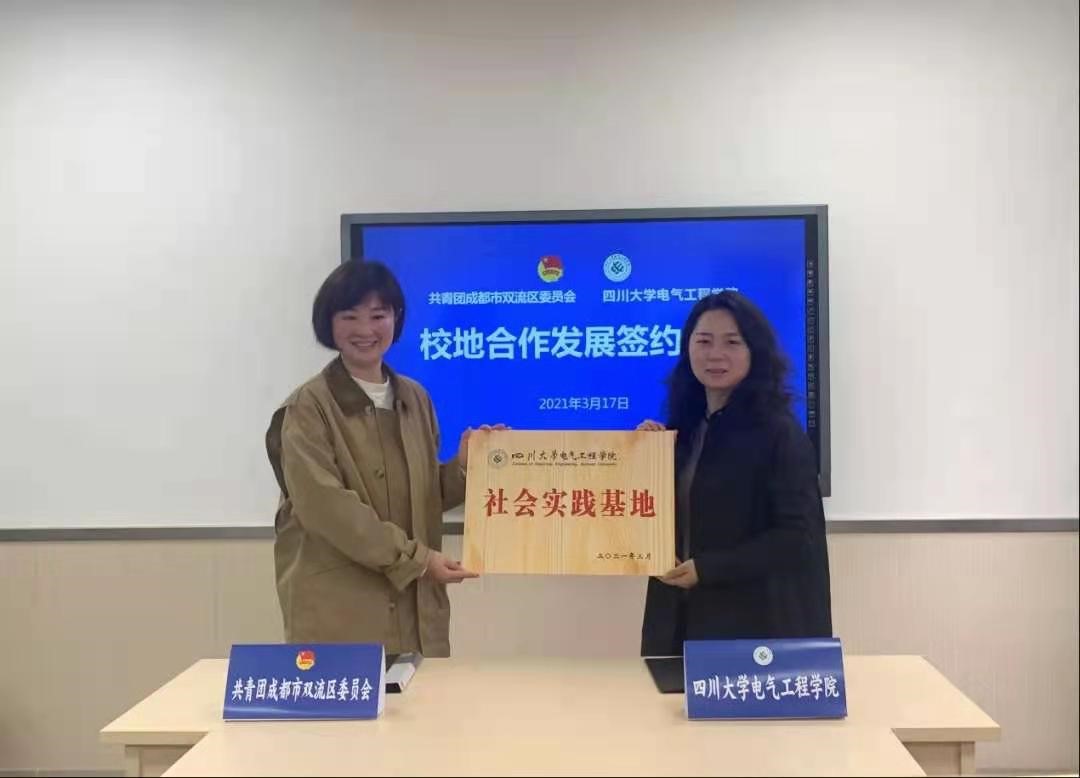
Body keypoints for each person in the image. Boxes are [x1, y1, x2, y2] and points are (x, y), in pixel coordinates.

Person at [265, 259, 503, 657]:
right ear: (328, 323)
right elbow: (326, 507)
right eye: (350, 316)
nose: (365, 330)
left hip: (416, 613)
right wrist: (418, 560)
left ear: (396, 319)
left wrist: (465, 466)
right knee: (354, 699)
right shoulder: (308, 407)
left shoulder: (414, 397)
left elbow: (421, 493)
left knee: (420, 698)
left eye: (378, 316)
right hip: (341, 614)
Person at [637, 291, 832, 655]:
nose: (715, 354)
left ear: (754, 352)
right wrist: (644, 459)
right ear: (687, 348)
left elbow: (797, 537)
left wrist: (707, 569)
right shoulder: (685, 428)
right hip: (677, 621)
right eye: (703, 341)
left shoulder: (778, 433)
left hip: (752, 631)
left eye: (731, 342)